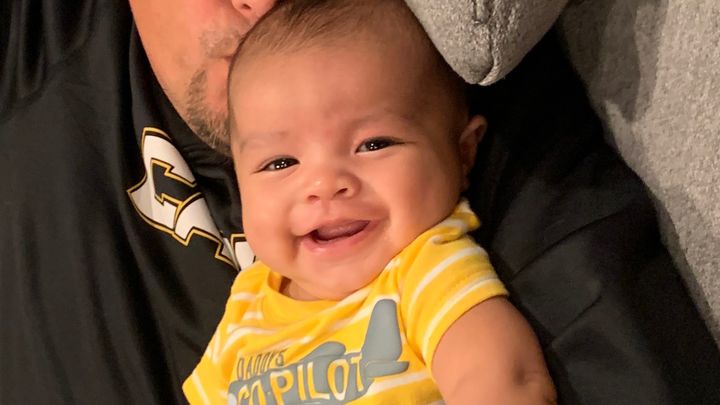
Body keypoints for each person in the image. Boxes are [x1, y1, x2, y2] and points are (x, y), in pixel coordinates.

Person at [3, 0, 720, 404]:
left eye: (371, 144)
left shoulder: (449, 145)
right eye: (278, 161)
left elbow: (513, 376)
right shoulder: (44, 57)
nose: (261, 4)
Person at [183, 1, 556, 404]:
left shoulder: (425, 273)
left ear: (463, 152)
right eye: (280, 163)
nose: (324, 185)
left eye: (373, 144)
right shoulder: (247, 303)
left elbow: (505, 381)